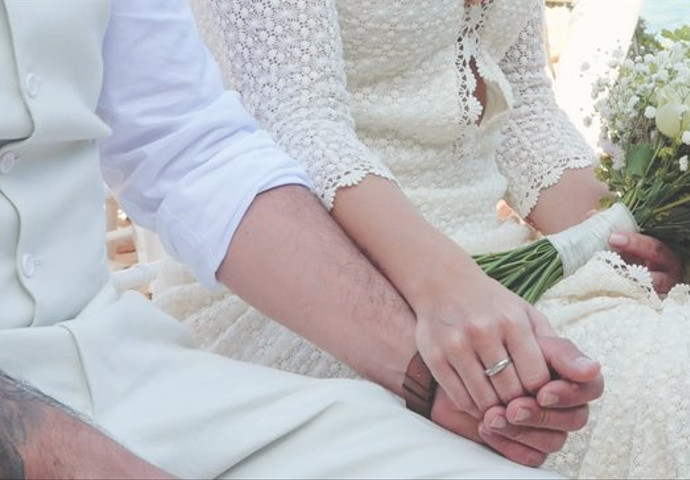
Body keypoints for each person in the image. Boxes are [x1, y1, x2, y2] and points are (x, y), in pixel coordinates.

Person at [158, 0, 690, 478]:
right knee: (682, 392)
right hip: (322, 267)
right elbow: (294, 120)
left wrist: (622, 229)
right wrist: (449, 289)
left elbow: (524, 110)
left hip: (497, 253)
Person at [0, 0, 606, 477]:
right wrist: (48, 450)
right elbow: (295, 117)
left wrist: (427, 376)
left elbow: (188, 151)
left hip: (129, 368)